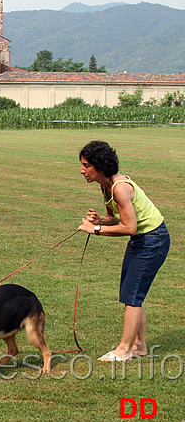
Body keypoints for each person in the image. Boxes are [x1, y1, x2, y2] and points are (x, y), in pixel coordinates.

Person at [77, 141, 170, 362]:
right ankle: (139, 347)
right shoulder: (106, 185)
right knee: (131, 293)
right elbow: (116, 218)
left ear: (100, 166)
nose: (82, 170)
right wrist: (100, 219)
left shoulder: (120, 187)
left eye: (86, 165)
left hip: (153, 239)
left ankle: (124, 349)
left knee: (132, 296)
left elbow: (130, 227)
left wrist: (96, 229)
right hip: (142, 239)